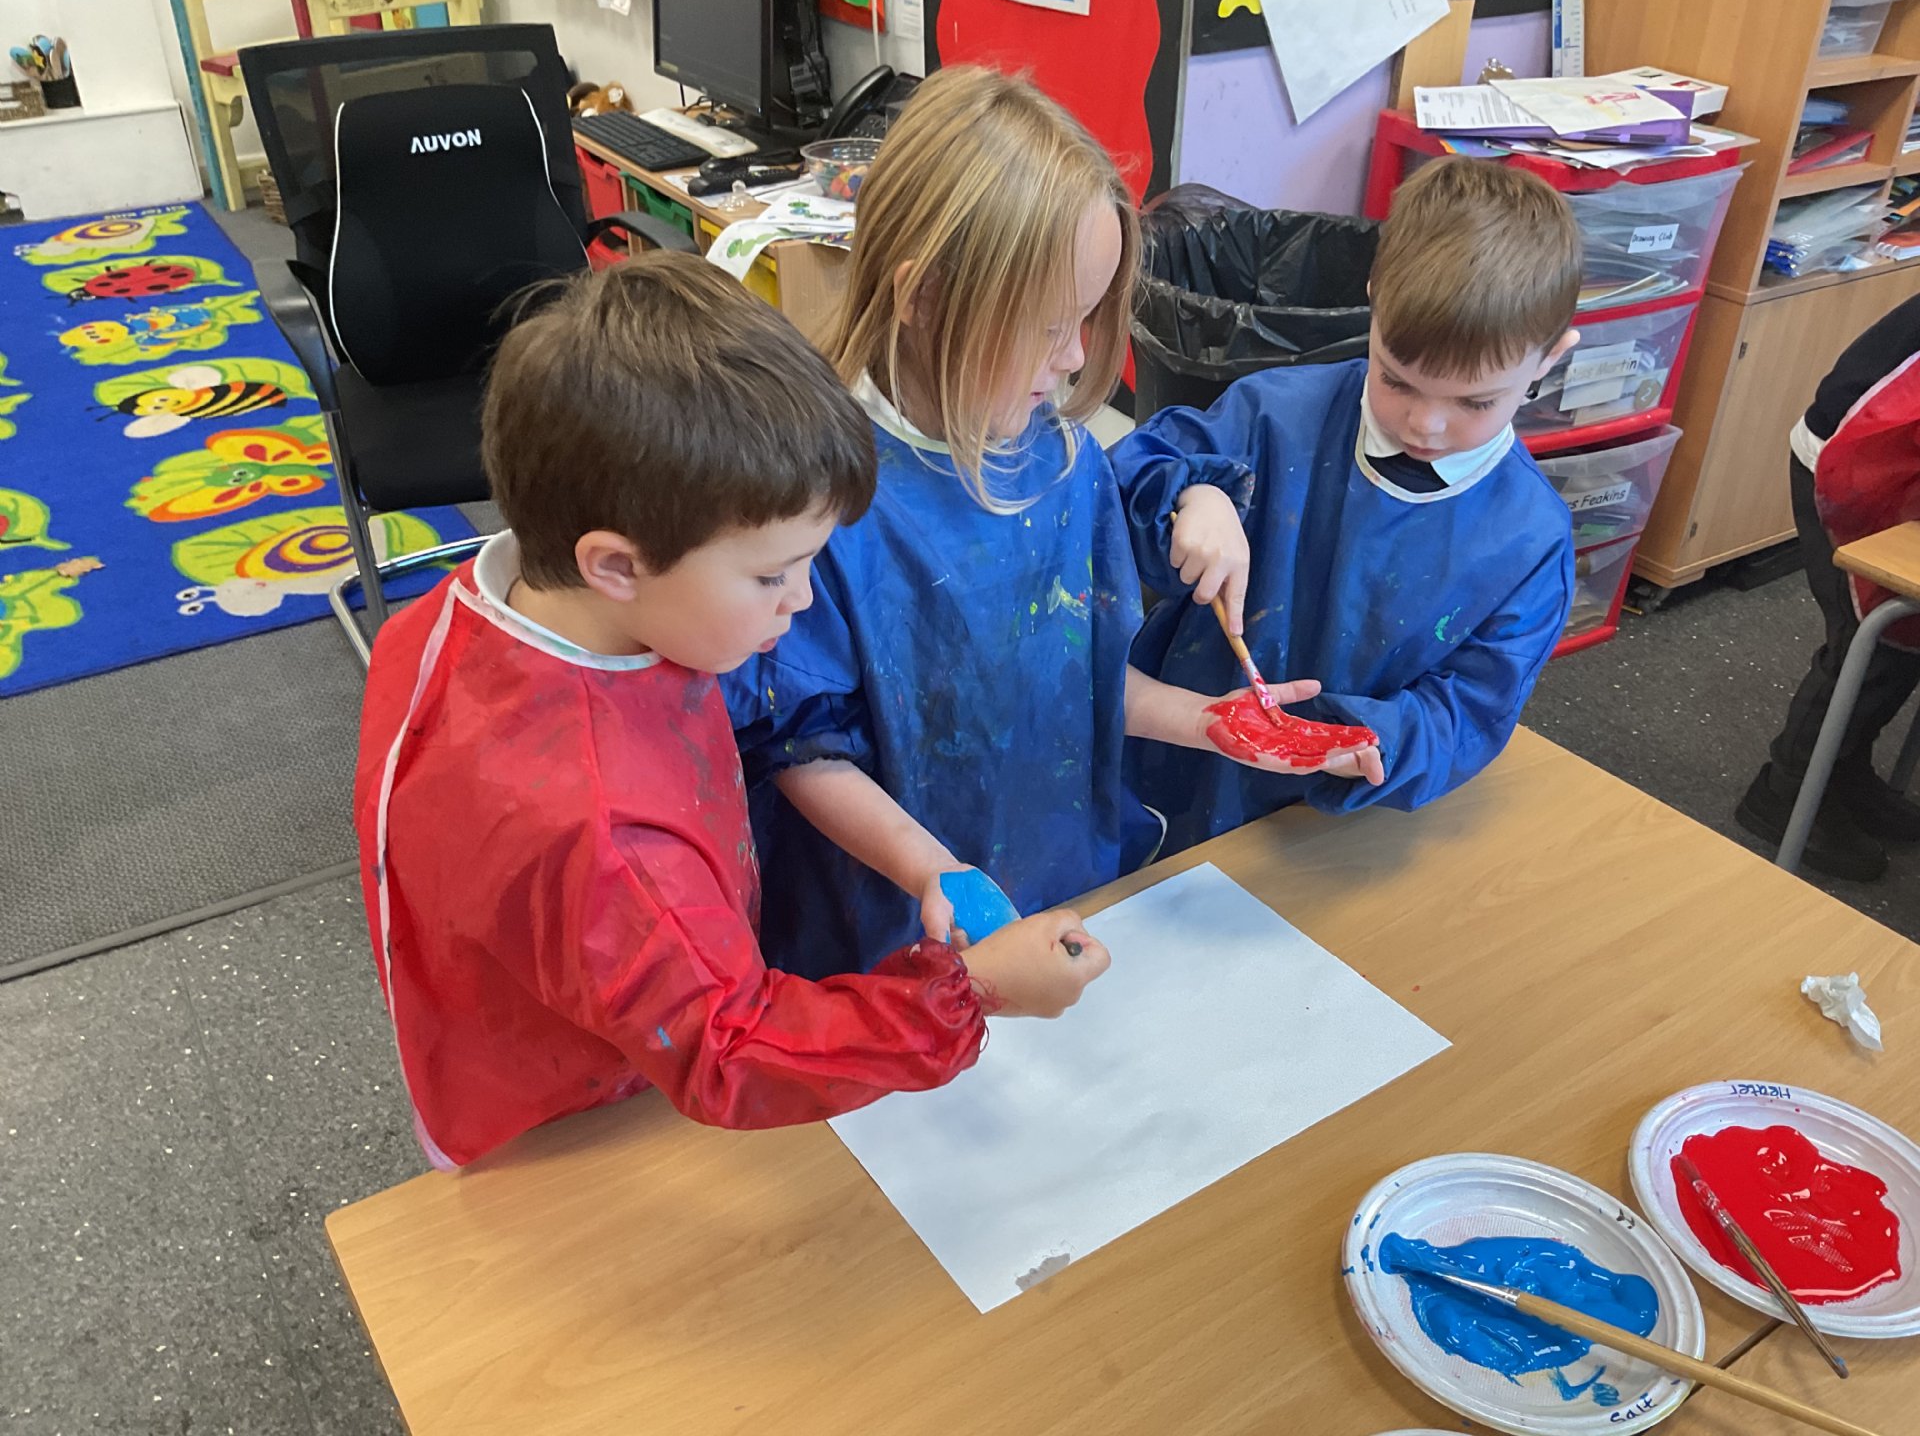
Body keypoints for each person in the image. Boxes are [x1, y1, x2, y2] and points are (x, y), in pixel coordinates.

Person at [352, 253, 1109, 1169]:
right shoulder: (606, 835)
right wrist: (971, 991)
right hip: (578, 1120)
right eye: (771, 575)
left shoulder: (482, 602)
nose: (802, 600)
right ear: (615, 565)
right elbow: (729, 1048)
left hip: (549, 1011)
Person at [724, 66, 1348, 979]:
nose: (1077, 358)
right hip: (895, 924)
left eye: (1088, 319)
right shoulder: (812, 500)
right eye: (1050, 325)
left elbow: (1074, 679)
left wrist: (1212, 720)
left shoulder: (1063, 462)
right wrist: (937, 874)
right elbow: (799, 747)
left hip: (1055, 877)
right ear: (925, 297)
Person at [1113, 157, 1580, 853]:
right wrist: (1194, 494)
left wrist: (1364, 742)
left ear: (1549, 359)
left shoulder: (1530, 540)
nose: (1425, 424)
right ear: (1373, 301)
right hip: (1176, 771)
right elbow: (1125, 480)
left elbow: (1470, 713)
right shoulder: (1275, 413)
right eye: (1398, 380)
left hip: (1327, 826)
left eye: (1475, 402)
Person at [1736, 293, 1920, 881]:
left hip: (1900, 454)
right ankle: (1784, 792)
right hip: (1856, 459)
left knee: (1906, 640)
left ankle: (1841, 770)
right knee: (1869, 644)